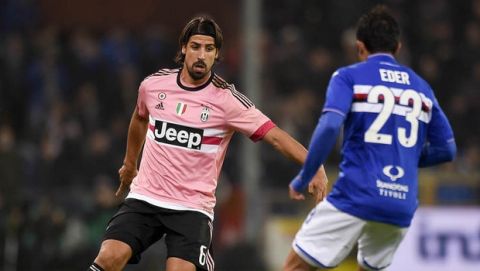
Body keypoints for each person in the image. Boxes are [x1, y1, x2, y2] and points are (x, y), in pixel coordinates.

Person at [87, 16, 328, 271]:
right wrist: (129, 164)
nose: (201, 55)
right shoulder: (154, 85)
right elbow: (139, 117)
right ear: (183, 48)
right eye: (196, 46)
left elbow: (276, 137)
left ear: (216, 54)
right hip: (146, 197)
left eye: (209, 49)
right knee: (109, 257)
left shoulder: (227, 100)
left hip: (192, 209)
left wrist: (315, 165)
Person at [284, 5, 456, 271]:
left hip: (356, 194)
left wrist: (303, 177)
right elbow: (447, 149)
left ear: (359, 47)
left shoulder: (348, 77)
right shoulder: (421, 88)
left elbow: (330, 127)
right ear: (398, 47)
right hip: (401, 203)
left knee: (296, 265)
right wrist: (404, 156)